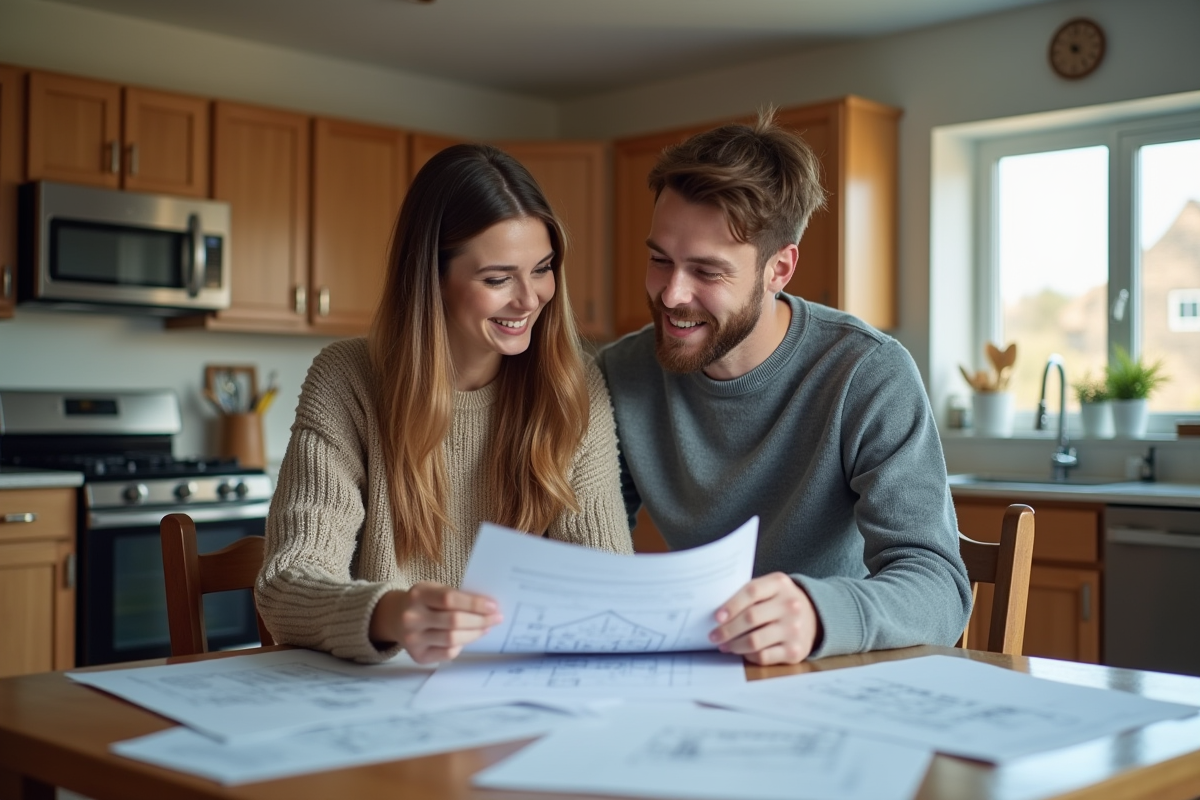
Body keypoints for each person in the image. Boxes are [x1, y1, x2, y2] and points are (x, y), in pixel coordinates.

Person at [597, 112, 972, 666]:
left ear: (779, 269)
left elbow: (940, 588)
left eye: (707, 271)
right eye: (660, 260)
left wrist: (818, 614)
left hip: (831, 672)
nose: (672, 294)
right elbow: (588, 547)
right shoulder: (620, 373)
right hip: (695, 672)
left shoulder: (866, 374)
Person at [257, 144, 633, 665]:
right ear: (430, 279)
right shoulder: (348, 379)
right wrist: (392, 613)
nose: (530, 299)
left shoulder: (573, 387)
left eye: (542, 269)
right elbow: (286, 584)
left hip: (521, 695)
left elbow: (608, 582)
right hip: (383, 699)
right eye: (498, 279)